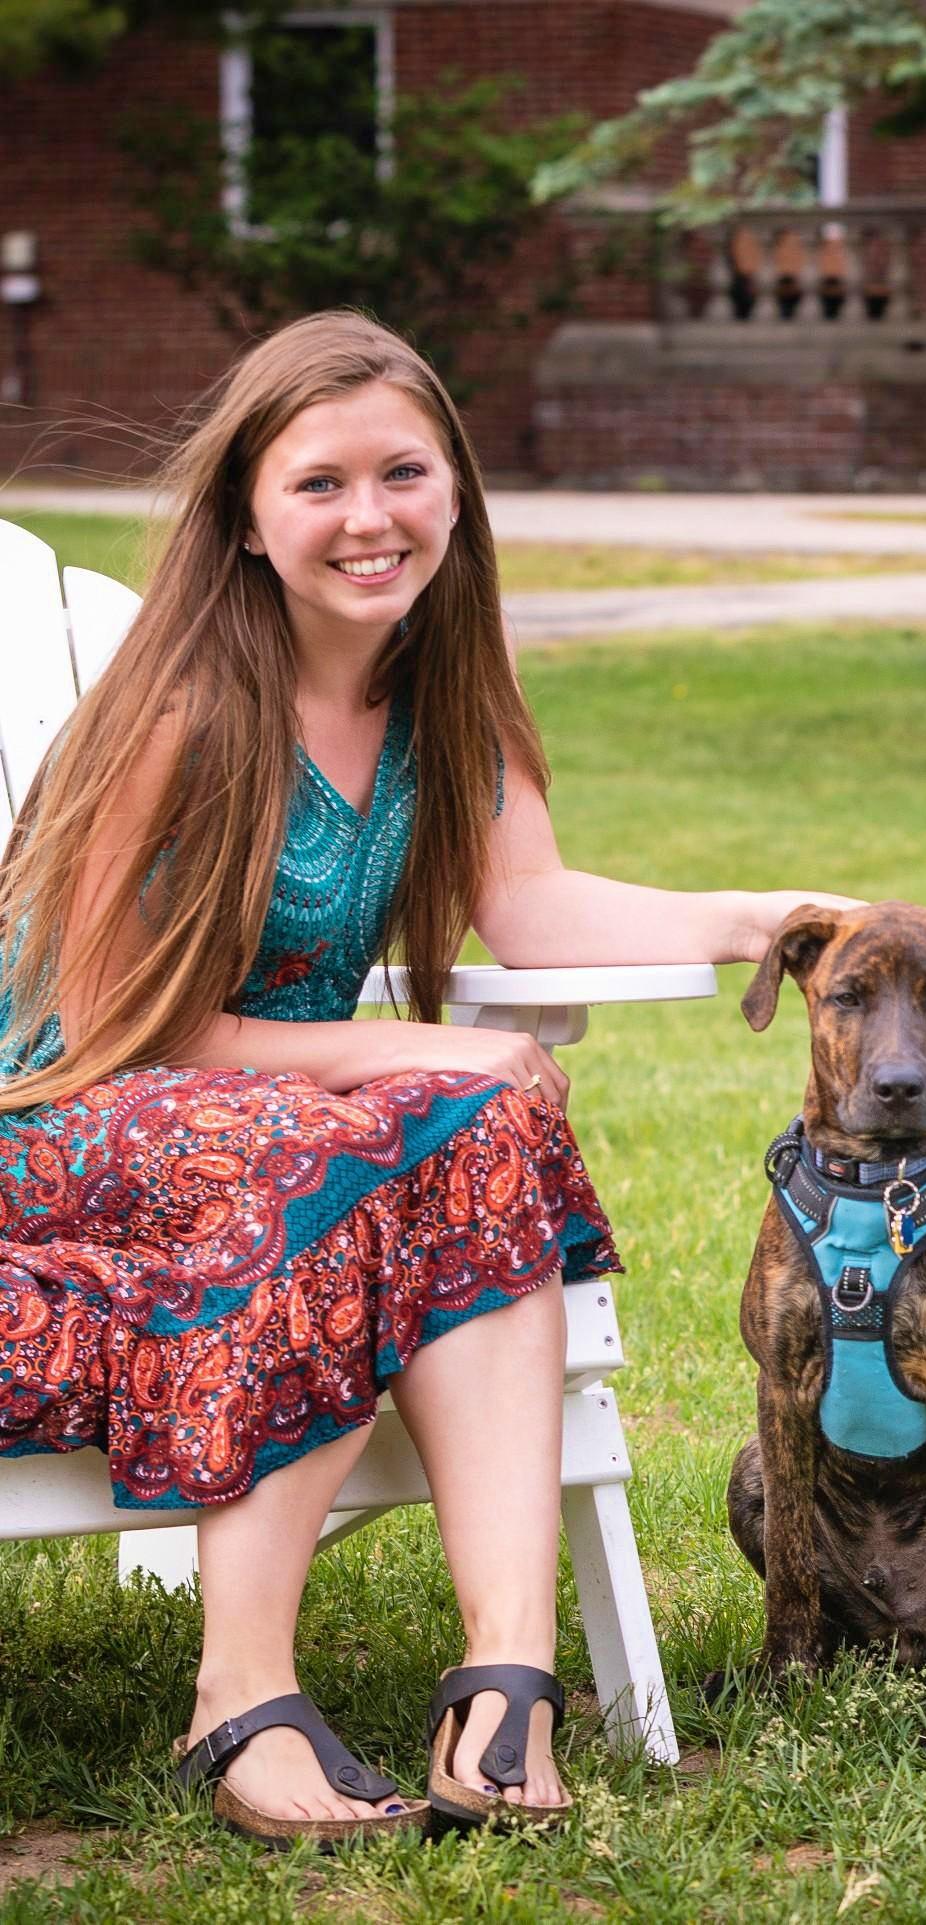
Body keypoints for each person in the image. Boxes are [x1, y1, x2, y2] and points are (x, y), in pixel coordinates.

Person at [0, 310, 854, 1843]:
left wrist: (759, 918)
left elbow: (523, 902)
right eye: (319, 483)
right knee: (404, 1122)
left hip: (295, 1118)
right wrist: (405, 1041)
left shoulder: (447, 679)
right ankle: (235, 1695)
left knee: (453, 1123)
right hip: (59, 1118)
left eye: (403, 473)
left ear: (456, 491)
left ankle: (502, 1682)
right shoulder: (185, 703)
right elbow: (121, 1028)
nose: (369, 517)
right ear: (250, 521)